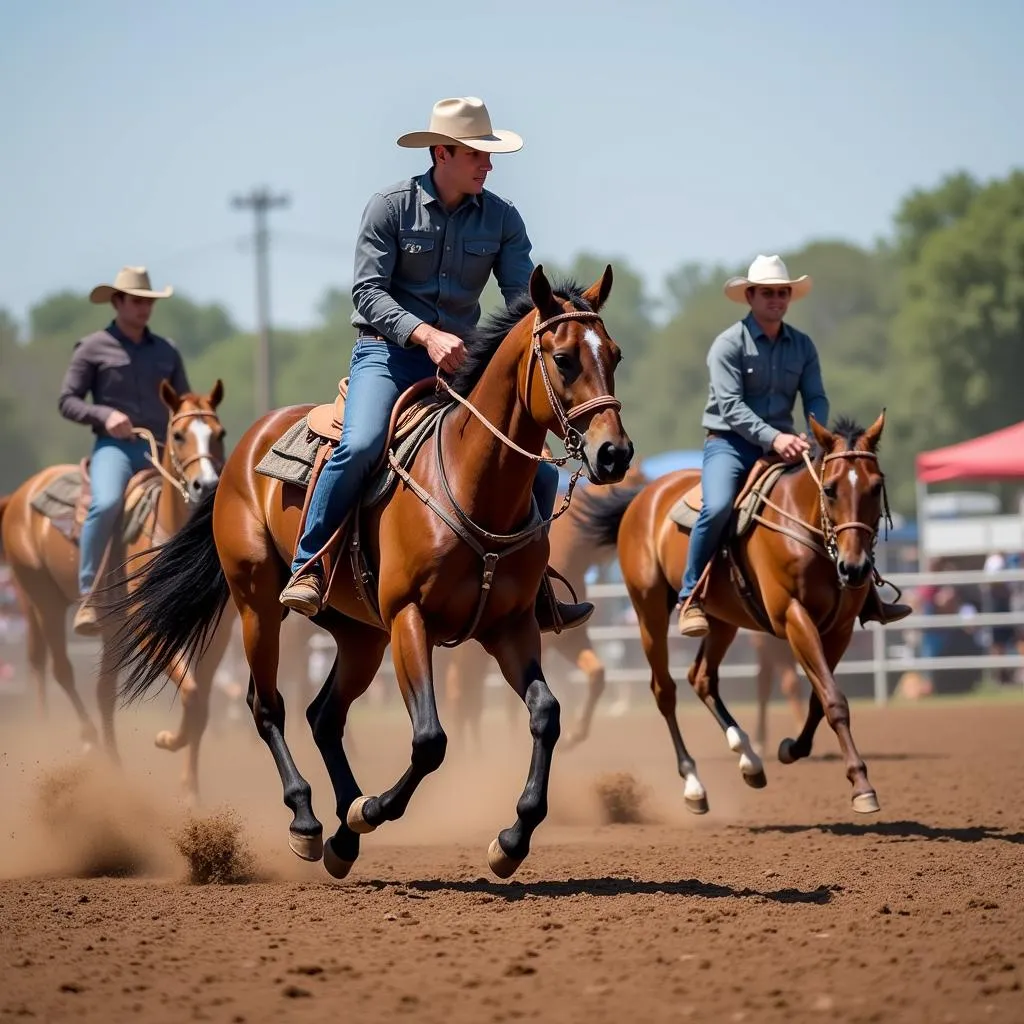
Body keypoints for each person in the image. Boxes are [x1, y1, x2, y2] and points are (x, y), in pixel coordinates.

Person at [279, 96, 593, 632]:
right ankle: (309, 564)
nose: (489, 165)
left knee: (538, 472)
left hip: (462, 367)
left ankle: (534, 590)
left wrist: (555, 323)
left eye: (489, 156)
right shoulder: (389, 207)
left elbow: (524, 301)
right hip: (387, 354)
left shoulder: (503, 218)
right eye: (478, 155)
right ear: (442, 153)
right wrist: (424, 334)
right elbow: (367, 293)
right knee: (358, 445)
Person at [676, 254, 912, 638]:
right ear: (750, 296)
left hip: (787, 445)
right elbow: (731, 407)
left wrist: (814, 431)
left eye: (782, 293)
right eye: (768, 293)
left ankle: (868, 593)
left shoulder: (802, 346)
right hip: (730, 445)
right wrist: (775, 437)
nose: (776, 300)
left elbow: (816, 396)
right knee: (717, 505)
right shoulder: (727, 345)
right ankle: (690, 597)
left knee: (840, 500)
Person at [58, 265, 189, 636]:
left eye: (148, 302)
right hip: (115, 448)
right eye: (136, 301)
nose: (143, 308)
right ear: (117, 302)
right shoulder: (92, 348)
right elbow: (67, 401)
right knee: (107, 502)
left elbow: (183, 403)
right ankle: (89, 595)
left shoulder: (167, 351)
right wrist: (103, 414)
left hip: (162, 452)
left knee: (201, 502)